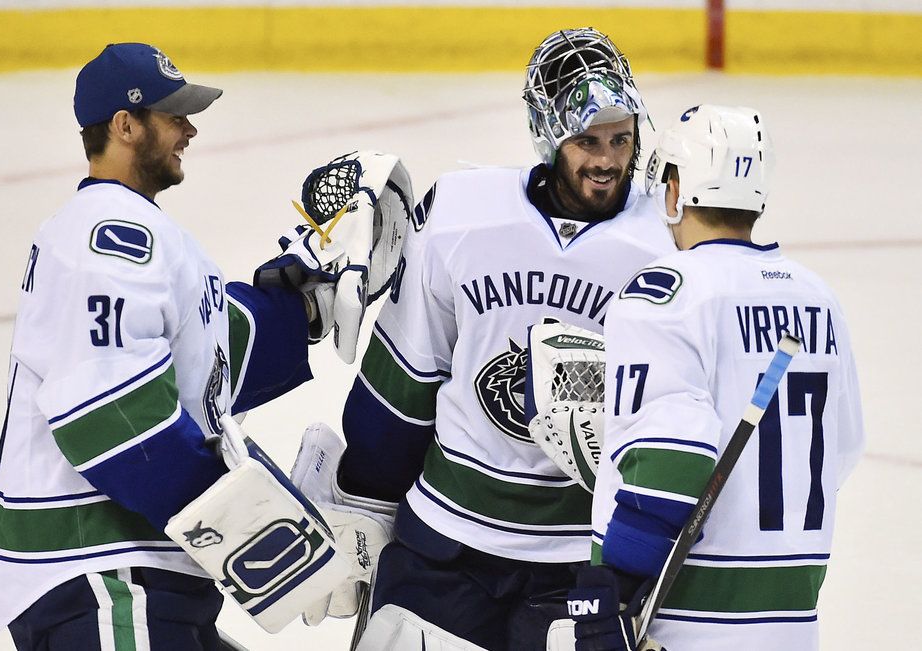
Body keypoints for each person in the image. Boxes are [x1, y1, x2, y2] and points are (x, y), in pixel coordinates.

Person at [0, 43, 408, 650]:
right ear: (124, 126)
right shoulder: (106, 238)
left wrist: (297, 303)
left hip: (140, 575)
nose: (189, 128)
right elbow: (113, 421)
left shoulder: (143, 237)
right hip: (101, 572)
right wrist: (273, 540)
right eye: (172, 114)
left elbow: (204, 360)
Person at [304, 27, 676, 649]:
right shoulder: (460, 214)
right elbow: (405, 382)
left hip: (579, 561)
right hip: (445, 543)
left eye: (621, 138)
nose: (607, 160)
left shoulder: (666, 242)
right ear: (548, 137)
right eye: (586, 140)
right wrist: (363, 496)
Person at [569, 105, 865, 651]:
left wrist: (611, 592)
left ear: (677, 188)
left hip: (686, 626)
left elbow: (671, 464)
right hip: (794, 624)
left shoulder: (666, 292)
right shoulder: (819, 300)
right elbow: (840, 453)